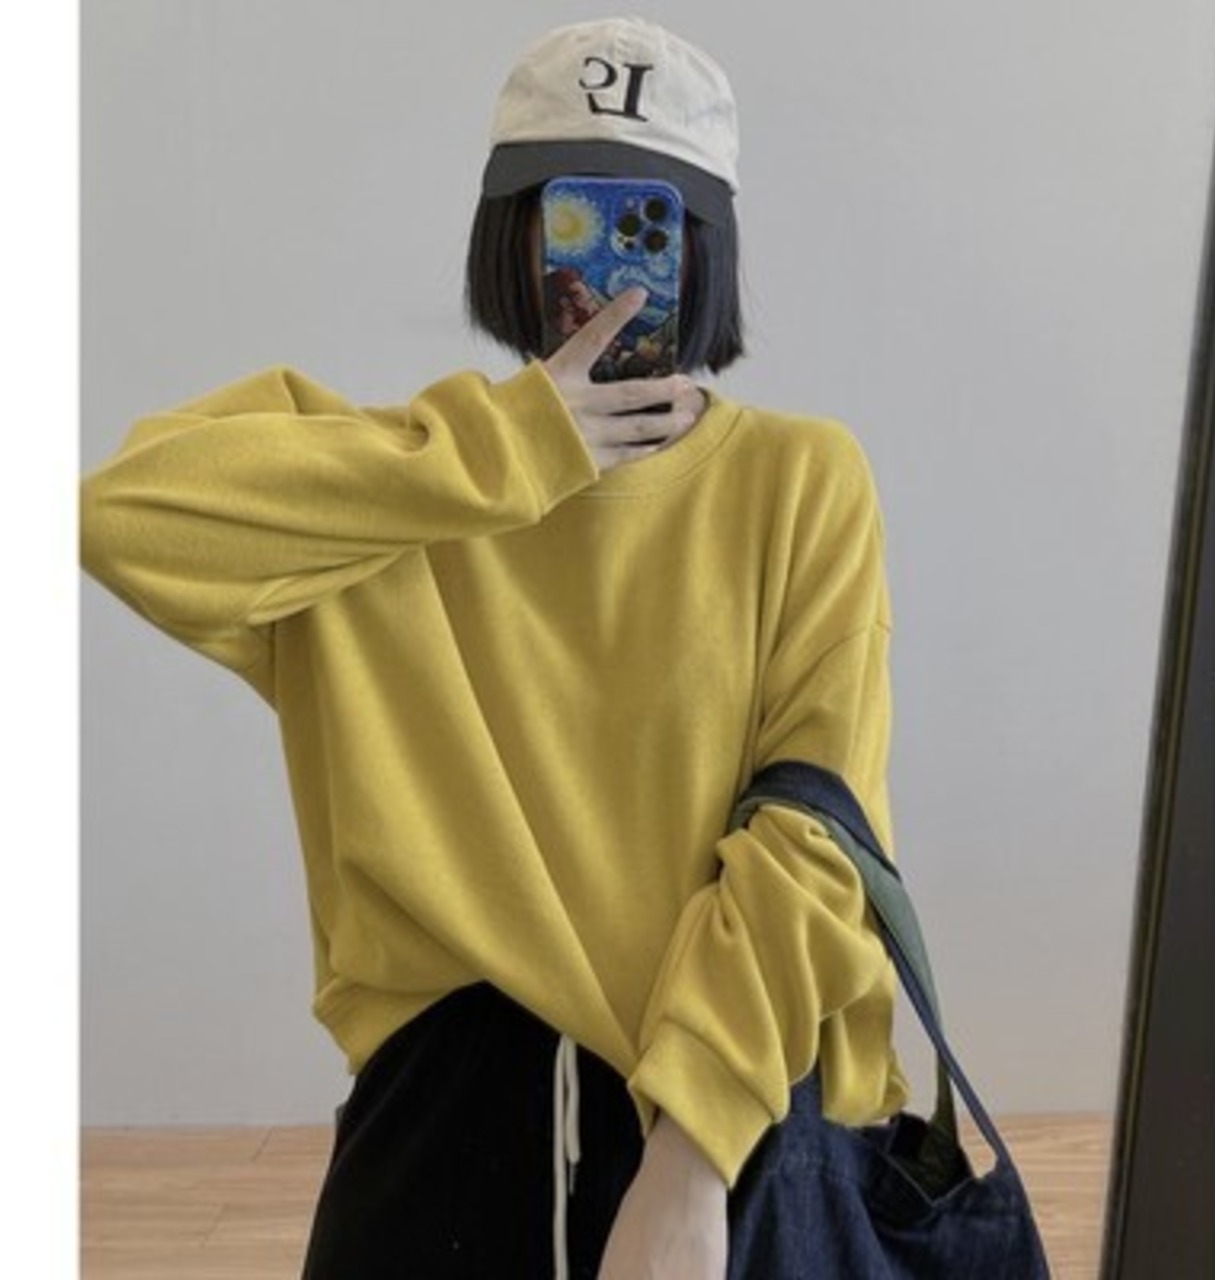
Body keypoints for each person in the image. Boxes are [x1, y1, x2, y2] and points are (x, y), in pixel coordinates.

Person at [80, 17, 908, 1280]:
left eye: (651, 218)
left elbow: (818, 825)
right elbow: (120, 516)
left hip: (719, 1117)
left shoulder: (799, 480)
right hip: (442, 1123)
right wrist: (506, 451)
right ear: (506, 234)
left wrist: (690, 1158)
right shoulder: (396, 491)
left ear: (705, 244)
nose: (603, 264)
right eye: (564, 214)